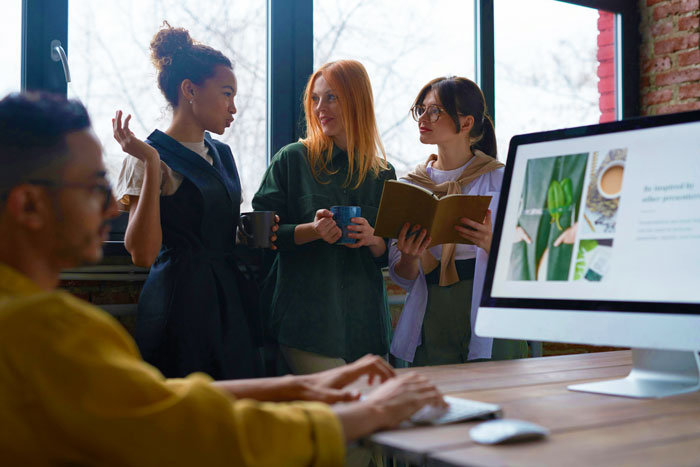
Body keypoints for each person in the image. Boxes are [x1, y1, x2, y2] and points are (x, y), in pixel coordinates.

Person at [0, 91, 447, 466]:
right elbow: (186, 430)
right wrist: (367, 414)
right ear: (29, 207)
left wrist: (304, 387)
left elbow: (165, 399)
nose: (110, 206)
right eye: (94, 186)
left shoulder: (30, 319)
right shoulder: (45, 328)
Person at [113, 24, 268, 379]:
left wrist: (245, 230)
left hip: (228, 300)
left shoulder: (223, 154)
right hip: (179, 302)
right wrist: (152, 164)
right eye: (227, 94)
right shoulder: (144, 156)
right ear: (189, 90)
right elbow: (142, 254)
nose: (233, 108)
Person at [252, 60, 396, 375]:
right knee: (344, 410)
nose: (320, 108)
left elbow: (386, 256)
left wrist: (372, 239)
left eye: (331, 97)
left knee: (377, 414)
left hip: (367, 327)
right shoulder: (292, 160)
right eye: (315, 99)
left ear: (357, 101)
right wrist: (312, 231)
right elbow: (259, 236)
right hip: (306, 326)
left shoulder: (384, 174)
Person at [388, 76, 529, 366]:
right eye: (421, 109)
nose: (423, 118)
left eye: (435, 110)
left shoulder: (502, 180)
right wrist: (409, 257)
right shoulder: (410, 186)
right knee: (437, 405)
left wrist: (492, 243)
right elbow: (401, 276)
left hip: (490, 313)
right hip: (432, 313)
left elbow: (529, 263)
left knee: (499, 403)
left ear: (465, 124)